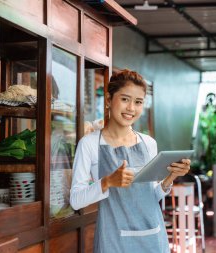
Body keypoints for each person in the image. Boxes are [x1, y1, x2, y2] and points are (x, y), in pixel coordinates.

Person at [70, 69, 191, 253]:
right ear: (109, 100)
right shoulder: (89, 144)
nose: (131, 108)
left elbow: (151, 196)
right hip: (113, 241)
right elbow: (76, 200)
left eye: (138, 102)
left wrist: (169, 178)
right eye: (125, 99)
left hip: (153, 237)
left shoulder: (148, 143)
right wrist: (108, 182)